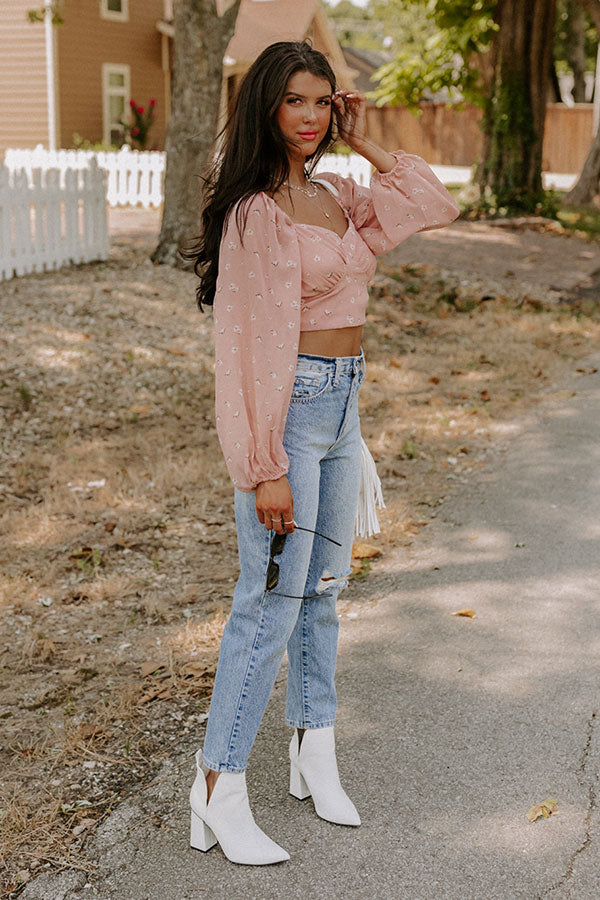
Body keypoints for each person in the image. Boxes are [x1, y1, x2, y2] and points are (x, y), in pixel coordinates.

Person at [184, 40, 459, 866]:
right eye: (294, 101)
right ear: (266, 106)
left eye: (321, 101)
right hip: (291, 417)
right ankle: (217, 785)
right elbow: (244, 351)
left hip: (343, 411)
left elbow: (434, 201)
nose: (308, 117)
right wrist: (264, 464)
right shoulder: (255, 213)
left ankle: (313, 752)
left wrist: (364, 139)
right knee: (269, 601)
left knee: (324, 595)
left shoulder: (339, 193)